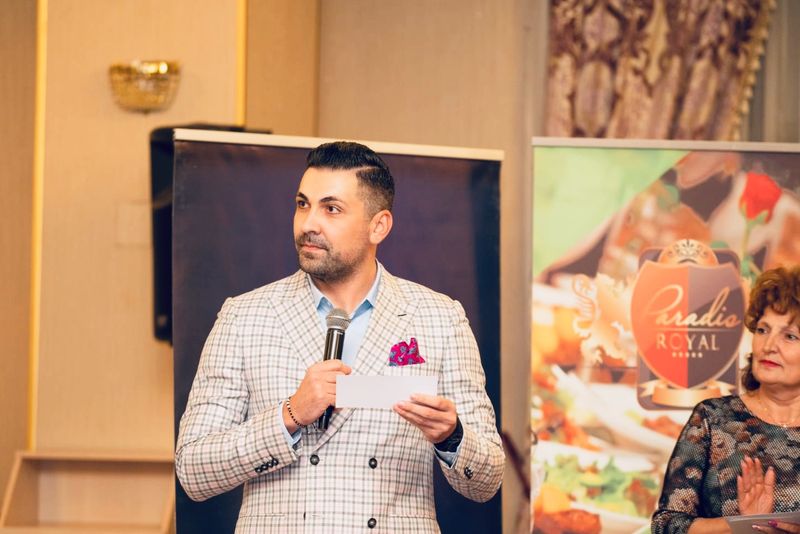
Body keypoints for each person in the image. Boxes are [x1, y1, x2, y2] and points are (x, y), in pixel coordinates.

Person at [175, 141, 504, 533]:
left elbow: (487, 481)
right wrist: (289, 415)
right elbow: (193, 471)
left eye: (331, 209)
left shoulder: (440, 318)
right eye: (303, 205)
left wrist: (452, 436)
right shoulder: (244, 316)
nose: (308, 223)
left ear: (378, 226)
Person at [652, 266, 800, 534]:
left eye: (789, 336)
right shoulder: (712, 418)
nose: (768, 346)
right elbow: (666, 525)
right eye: (763, 330)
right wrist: (741, 527)